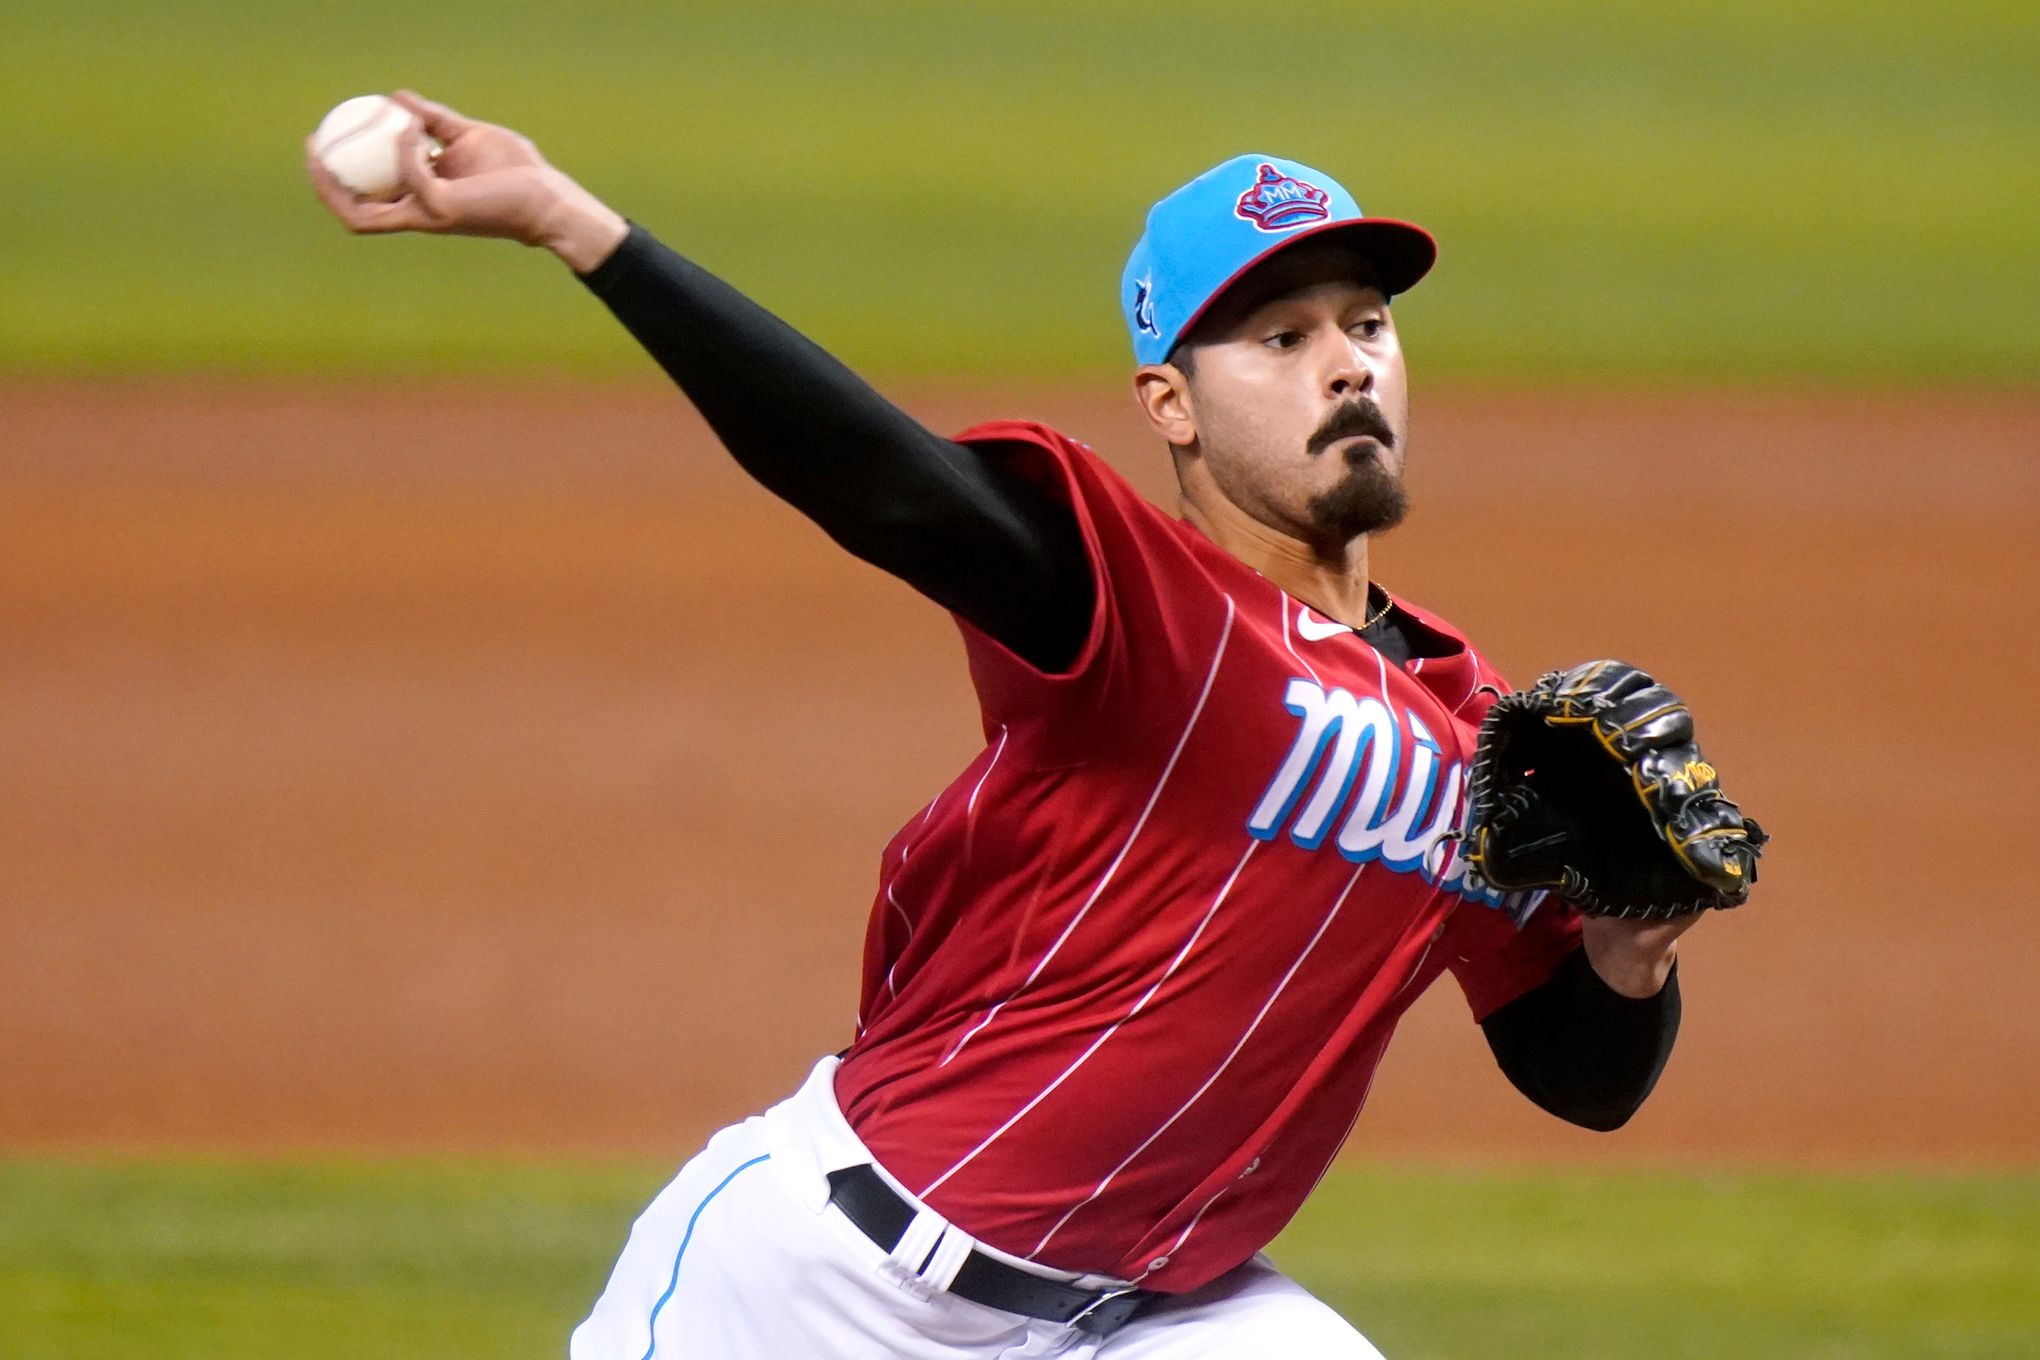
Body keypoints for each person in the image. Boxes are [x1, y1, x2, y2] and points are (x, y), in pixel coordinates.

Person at [308, 92, 1709, 1359]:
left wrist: (1630, 947)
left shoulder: (1491, 737)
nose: (1346, 365)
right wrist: (576, 226)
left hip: (1153, 1320)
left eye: (1368, 325)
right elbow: (882, 482)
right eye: (1281, 338)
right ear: (1169, 400)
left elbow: (1580, 1080)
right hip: (820, 1288)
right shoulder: (1140, 600)